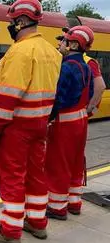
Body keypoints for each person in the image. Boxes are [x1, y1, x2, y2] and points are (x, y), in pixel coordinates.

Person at [0, 0, 62, 243]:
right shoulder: (52, 51)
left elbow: (8, 95)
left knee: (13, 177)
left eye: (11, 22)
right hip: (40, 123)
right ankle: (37, 222)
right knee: (36, 174)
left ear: (22, 21)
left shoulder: (19, 52)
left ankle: (10, 232)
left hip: (16, 126)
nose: (10, 27)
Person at [46, 26, 95, 220]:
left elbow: (59, 97)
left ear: (74, 44)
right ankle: (74, 203)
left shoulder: (66, 66)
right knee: (75, 162)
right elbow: (90, 94)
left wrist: (48, 117)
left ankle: (57, 207)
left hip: (65, 121)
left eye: (64, 41)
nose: (61, 44)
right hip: (81, 120)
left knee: (59, 163)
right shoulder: (86, 66)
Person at [57, 28, 107, 116]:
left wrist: (90, 109)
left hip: (71, 114)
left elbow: (100, 87)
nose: (59, 43)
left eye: (63, 40)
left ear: (74, 45)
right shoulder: (66, 61)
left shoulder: (89, 62)